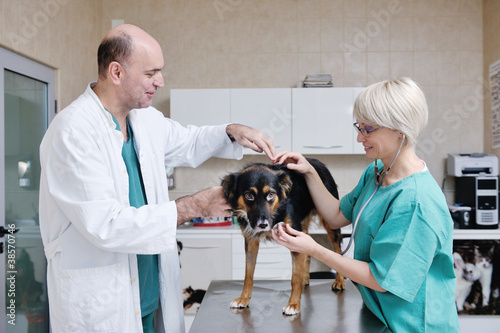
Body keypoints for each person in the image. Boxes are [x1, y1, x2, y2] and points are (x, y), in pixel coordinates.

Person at [39, 24, 275, 333]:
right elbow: (106, 225)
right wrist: (190, 207)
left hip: (149, 300)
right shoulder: (72, 132)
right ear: (116, 72)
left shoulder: (144, 119)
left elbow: (189, 140)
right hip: (104, 308)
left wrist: (232, 130)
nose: (160, 82)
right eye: (151, 74)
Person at [271, 77, 460, 332]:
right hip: (379, 317)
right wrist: (309, 172)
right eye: (358, 127)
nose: (360, 138)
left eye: (368, 129)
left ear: (400, 129)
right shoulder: (377, 173)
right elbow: (337, 215)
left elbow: (380, 279)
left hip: (413, 325)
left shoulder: (416, 202)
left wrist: (315, 249)